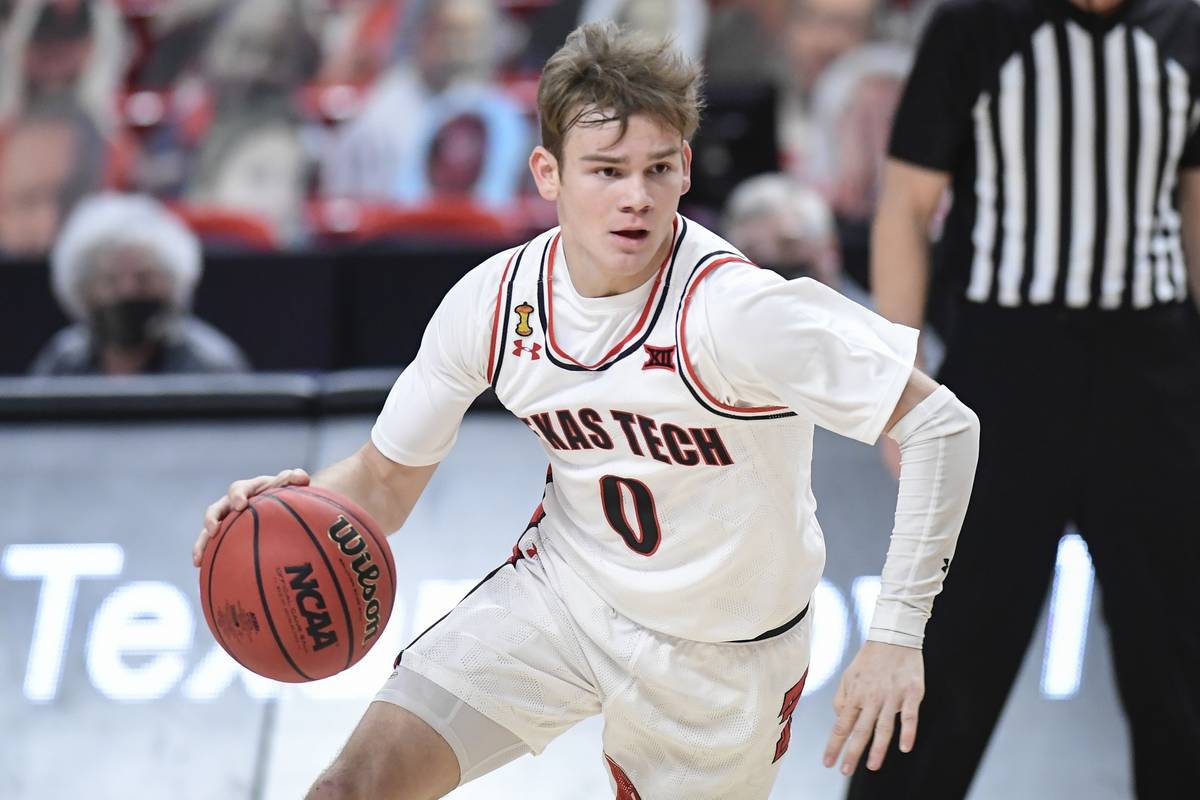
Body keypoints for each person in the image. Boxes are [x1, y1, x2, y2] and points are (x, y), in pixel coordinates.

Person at [193, 23, 980, 799]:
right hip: (565, 601)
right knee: (351, 790)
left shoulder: (738, 312)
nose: (635, 197)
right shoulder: (496, 303)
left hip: (725, 655)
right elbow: (383, 480)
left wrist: (898, 635)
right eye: (606, 170)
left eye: (656, 169)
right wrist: (293, 507)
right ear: (548, 173)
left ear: (684, 171)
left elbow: (944, 426)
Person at [848, 0, 1200, 798]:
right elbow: (905, 204)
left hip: (1157, 378)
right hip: (1006, 374)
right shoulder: (975, 25)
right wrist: (897, 387)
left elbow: (1193, 206)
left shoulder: (1186, 27)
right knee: (945, 652)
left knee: (1180, 667)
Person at [30, 192, 249, 376]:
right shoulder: (63, 364)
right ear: (85, 289)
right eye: (110, 280)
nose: (128, 291)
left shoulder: (209, 366)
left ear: (172, 284)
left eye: (144, 278)